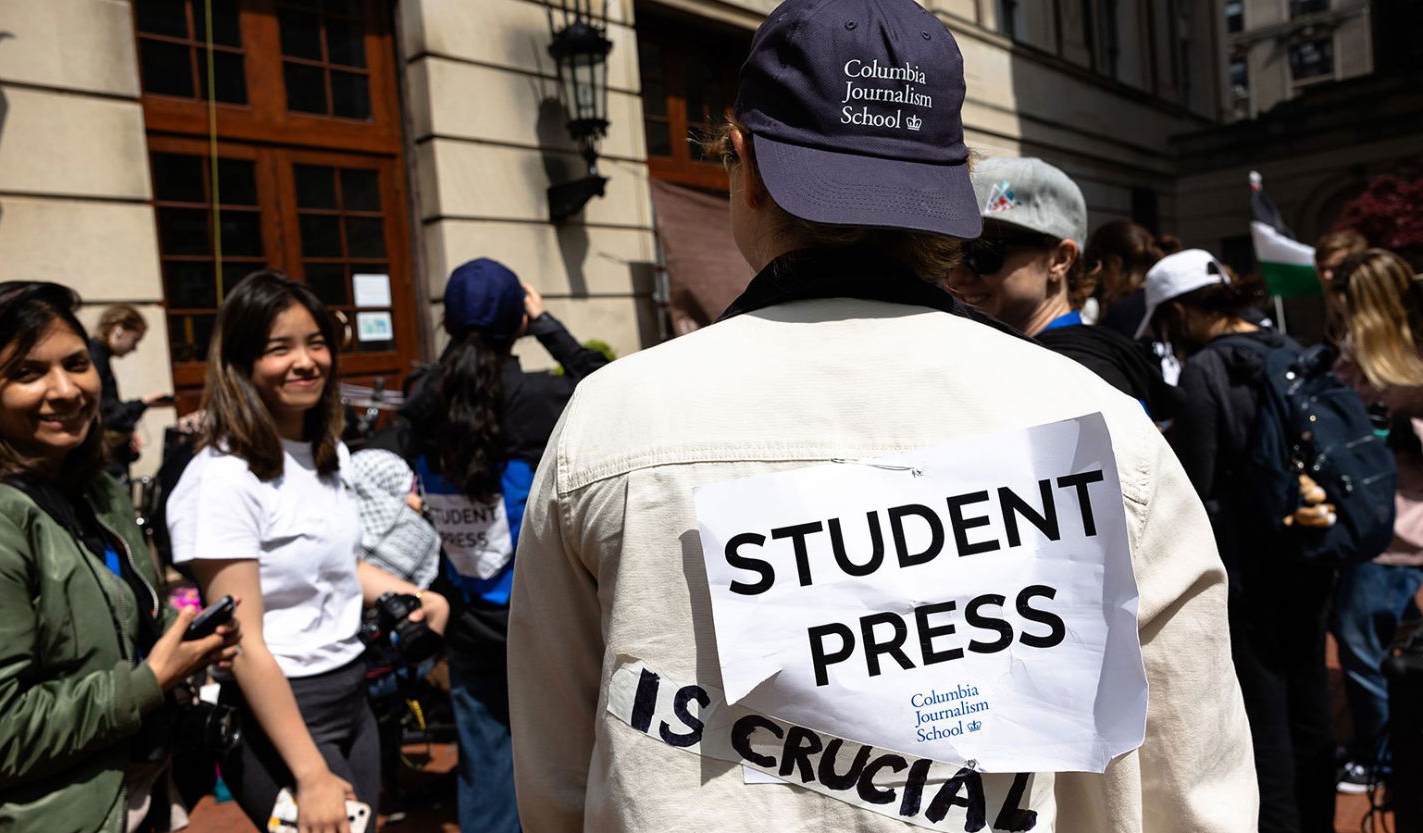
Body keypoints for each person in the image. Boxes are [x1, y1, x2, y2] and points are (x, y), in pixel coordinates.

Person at [506, 1, 1257, 831]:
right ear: (954, 178)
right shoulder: (1106, 429)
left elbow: (557, 785)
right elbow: (1193, 786)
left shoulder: (612, 424)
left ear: (745, 166)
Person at [0, 282, 239, 833]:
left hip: (148, 795)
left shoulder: (94, 488)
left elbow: (109, 625)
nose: (66, 390)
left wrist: (186, 643)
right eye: (28, 374)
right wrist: (148, 681)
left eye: (76, 363)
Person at [166, 271, 447, 833]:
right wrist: (311, 774)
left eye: (316, 342)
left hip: (353, 691)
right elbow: (240, 641)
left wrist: (413, 595)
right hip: (284, 713)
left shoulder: (329, 454)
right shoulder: (223, 479)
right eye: (280, 348)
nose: (306, 361)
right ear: (242, 363)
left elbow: (337, 567)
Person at [400, 258, 608, 833]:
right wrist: (544, 324)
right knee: (571, 758)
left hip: (468, 612)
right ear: (516, 318)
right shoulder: (540, 397)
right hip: (548, 617)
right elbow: (605, 382)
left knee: (485, 756)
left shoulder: (424, 400)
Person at [1151, 250, 1337, 833]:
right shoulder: (1288, 346)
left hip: (1252, 567)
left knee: (1265, 710)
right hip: (1310, 549)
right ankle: (1321, 818)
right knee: (1312, 697)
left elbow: (1197, 477)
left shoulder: (1208, 368)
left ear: (1180, 313)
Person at [948, 157, 1181, 420]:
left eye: (982, 252)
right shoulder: (999, 357)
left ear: (1060, 259)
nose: (956, 276)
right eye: (949, 253)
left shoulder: (1087, 379)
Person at [1326, 248, 1423, 793]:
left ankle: (1382, 756)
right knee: (1389, 638)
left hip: (1392, 530)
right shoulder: (1370, 350)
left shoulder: (1396, 355)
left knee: (1361, 641)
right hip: (1382, 523)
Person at [89, 305, 175, 480]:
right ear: (119, 329)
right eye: (135, 339)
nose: (134, 348)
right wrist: (143, 403)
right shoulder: (95, 357)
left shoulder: (99, 356)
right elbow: (106, 412)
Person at [1085, 220, 1163, 338]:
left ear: (1115, 264)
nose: (1102, 286)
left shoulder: (1122, 313)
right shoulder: (1165, 300)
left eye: (1102, 277)